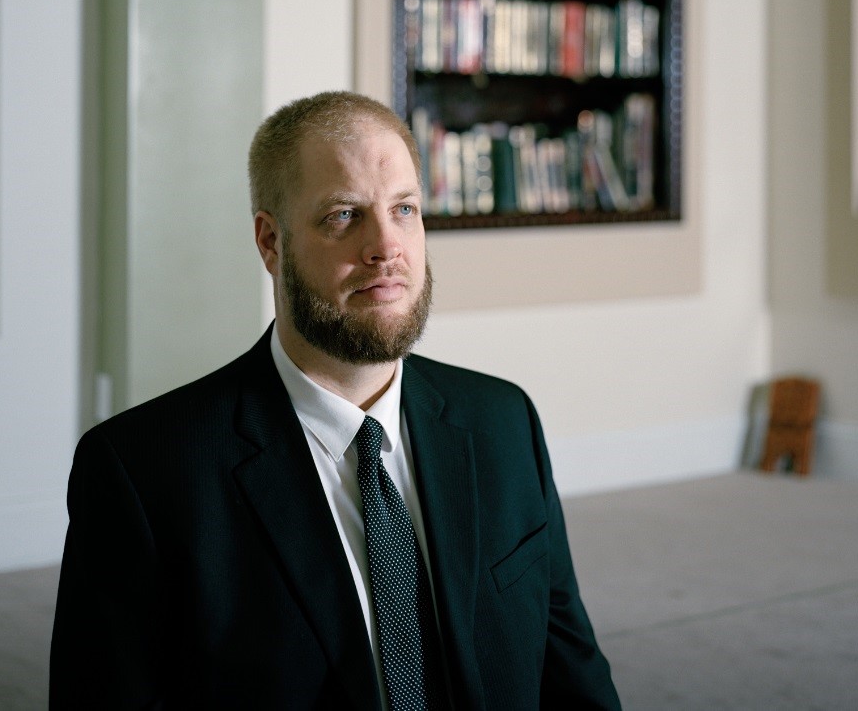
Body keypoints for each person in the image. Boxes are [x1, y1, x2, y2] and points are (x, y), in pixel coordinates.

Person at [50, 91, 620, 710]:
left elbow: (569, 670)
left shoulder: (503, 420)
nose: (386, 246)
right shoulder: (144, 471)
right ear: (271, 243)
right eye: (345, 215)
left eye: (404, 209)